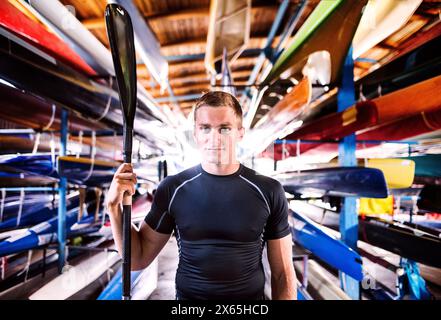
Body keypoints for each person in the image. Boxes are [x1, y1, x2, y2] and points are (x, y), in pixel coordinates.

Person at [106, 91, 297, 300]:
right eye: (205, 128)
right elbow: (138, 257)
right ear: (195, 134)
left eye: (224, 128)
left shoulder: (268, 190)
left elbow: (282, 275)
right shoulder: (173, 189)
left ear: (240, 133)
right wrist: (114, 208)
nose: (214, 138)